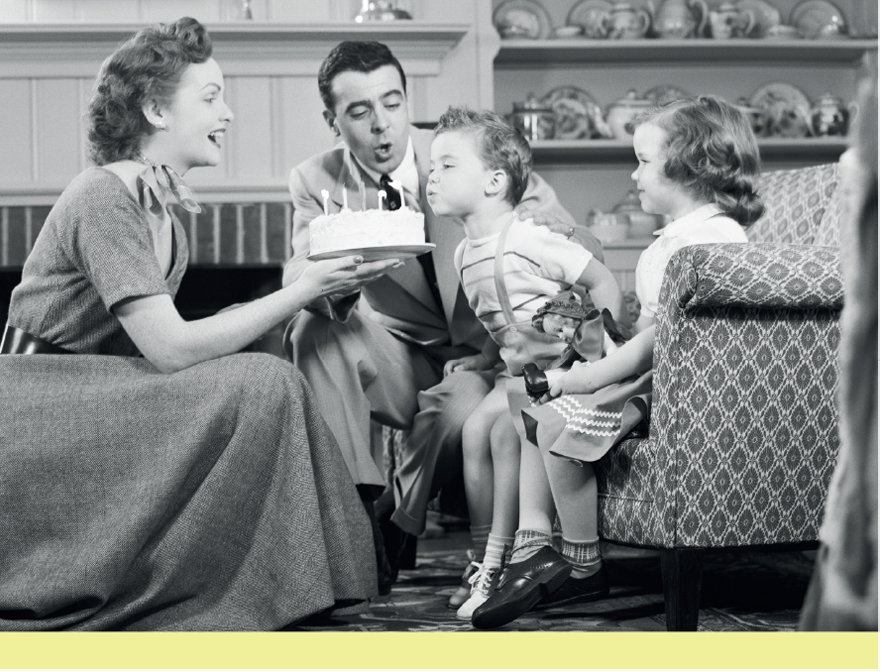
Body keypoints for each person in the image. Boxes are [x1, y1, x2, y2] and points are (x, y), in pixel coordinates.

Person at [0, 18, 399, 631]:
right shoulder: (103, 196)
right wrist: (299, 290)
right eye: (210, 98)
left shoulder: (163, 211)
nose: (228, 114)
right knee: (266, 383)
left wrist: (313, 292)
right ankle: (283, 578)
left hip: (107, 393)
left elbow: (171, 340)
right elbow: (171, 350)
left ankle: (298, 577)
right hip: (47, 407)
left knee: (265, 380)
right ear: (156, 110)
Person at [282, 40, 603, 592]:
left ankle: (390, 516)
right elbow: (297, 278)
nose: (382, 124)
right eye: (359, 111)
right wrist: (345, 268)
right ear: (333, 121)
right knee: (311, 327)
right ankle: (348, 510)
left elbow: (575, 245)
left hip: (488, 358)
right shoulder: (316, 180)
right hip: (401, 356)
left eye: (392, 103)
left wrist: (545, 234)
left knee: (453, 416)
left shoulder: (465, 151)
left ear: (407, 101)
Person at [472, 95, 765, 629]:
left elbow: (659, 341)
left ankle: (583, 564)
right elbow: (642, 331)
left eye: (644, 162)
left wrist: (586, 378)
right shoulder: (675, 239)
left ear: (689, 166)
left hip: (685, 392)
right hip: (657, 377)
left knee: (563, 417)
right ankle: (534, 546)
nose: (634, 175)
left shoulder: (710, 240)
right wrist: (590, 342)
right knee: (534, 405)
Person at [425, 107, 627, 619]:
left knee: (499, 431)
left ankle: (511, 556)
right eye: (431, 166)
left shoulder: (529, 237)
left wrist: (601, 352)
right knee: (475, 430)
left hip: (565, 367)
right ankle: (482, 560)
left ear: (494, 181)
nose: (433, 176)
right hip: (519, 375)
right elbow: (505, 320)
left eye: (447, 165)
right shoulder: (463, 254)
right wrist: (481, 359)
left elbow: (601, 282)